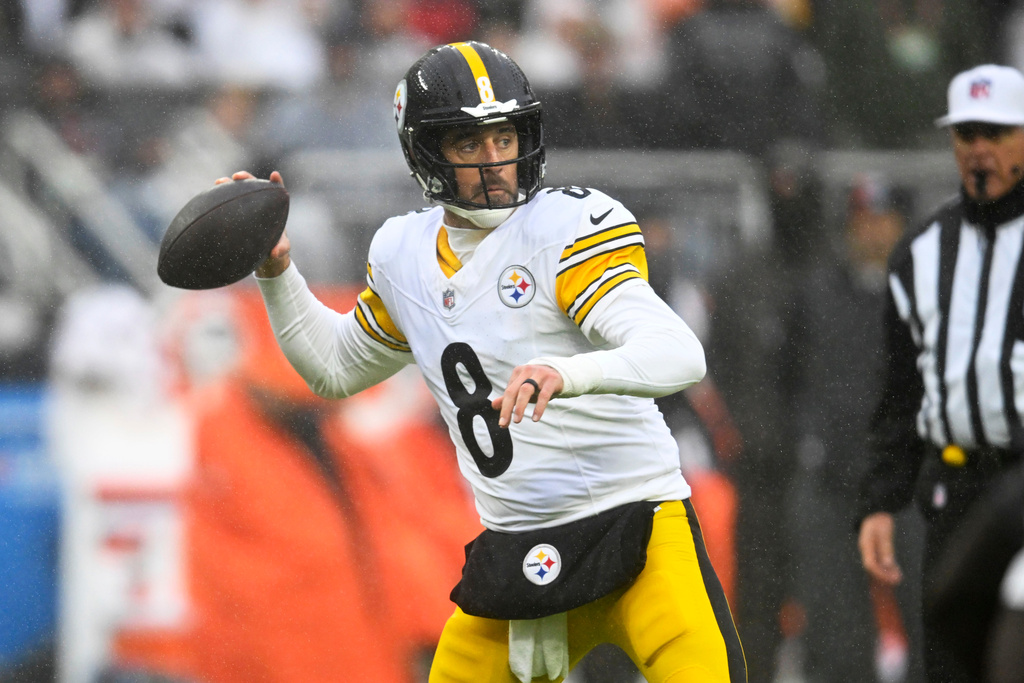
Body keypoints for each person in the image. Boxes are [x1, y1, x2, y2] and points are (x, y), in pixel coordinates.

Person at [222, 41, 746, 682]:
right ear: (425, 151)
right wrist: (278, 273)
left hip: (638, 525)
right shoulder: (403, 253)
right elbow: (334, 370)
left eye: (504, 137)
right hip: (519, 544)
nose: (495, 160)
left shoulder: (566, 227)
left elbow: (677, 353)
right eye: (469, 144)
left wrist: (570, 372)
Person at [857, 63, 1024, 682]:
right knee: (951, 657)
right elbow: (901, 393)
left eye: (997, 131)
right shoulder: (922, 251)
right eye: (967, 133)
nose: (980, 148)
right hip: (954, 487)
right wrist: (879, 502)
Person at [785, 175, 924, 683]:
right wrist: (809, 438)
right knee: (835, 633)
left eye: (883, 222)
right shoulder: (817, 294)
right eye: (861, 222)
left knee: (931, 622)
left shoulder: (932, 296)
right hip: (833, 483)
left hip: (910, 483)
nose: (872, 234)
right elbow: (788, 377)